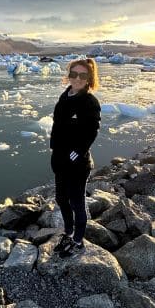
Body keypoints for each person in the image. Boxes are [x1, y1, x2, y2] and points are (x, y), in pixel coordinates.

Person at [50, 58, 101, 258]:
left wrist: (78, 152)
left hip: (78, 164)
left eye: (82, 75)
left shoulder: (90, 102)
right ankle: (68, 233)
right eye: (73, 74)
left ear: (89, 78)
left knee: (76, 202)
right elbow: (57, 127)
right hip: (60, 160)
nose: (77, 79)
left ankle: (78, 241)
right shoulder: (64, 97)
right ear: (68, 75)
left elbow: (92, 131)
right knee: (61, 199)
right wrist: (54, 150)